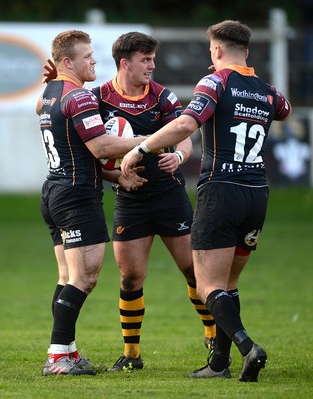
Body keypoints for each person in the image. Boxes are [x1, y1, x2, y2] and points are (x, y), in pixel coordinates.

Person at [121, 20, 292, 382]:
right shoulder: (266, 89)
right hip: (257, 193)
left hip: (221, 191)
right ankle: (219, 364)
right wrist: (252, 89)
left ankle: (249, 348)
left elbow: (186, 125)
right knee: (227, 285)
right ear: (246, 51)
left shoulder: (215, 82)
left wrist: (141, 147)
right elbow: (285, 110)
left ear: (215, 51)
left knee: (207, 284)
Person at [94, 31, 217, 371]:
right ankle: (131, 356)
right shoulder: (98, 98)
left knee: (194, 270)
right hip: (130, 200)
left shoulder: (162, 97)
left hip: (169, 194)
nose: (152, 65)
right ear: (125, 63)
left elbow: (184, 137)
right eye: (145, 60)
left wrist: (178, 157)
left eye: (153, 59)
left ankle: (212, 334)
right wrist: (117, 176)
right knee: (130, 278)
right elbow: (94, 155)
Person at [37, 29, 146, 376]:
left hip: (54, 191)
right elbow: (100, 148)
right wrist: (149, 140)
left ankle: (67, 352)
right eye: (87, 56)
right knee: (85, 279)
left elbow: (75, 149)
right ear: (67, 61)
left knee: (68, 276)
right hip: (76, 197)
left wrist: (115, 177)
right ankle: (58, 358)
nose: (94, 60)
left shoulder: (49, 93)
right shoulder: (79, 97)